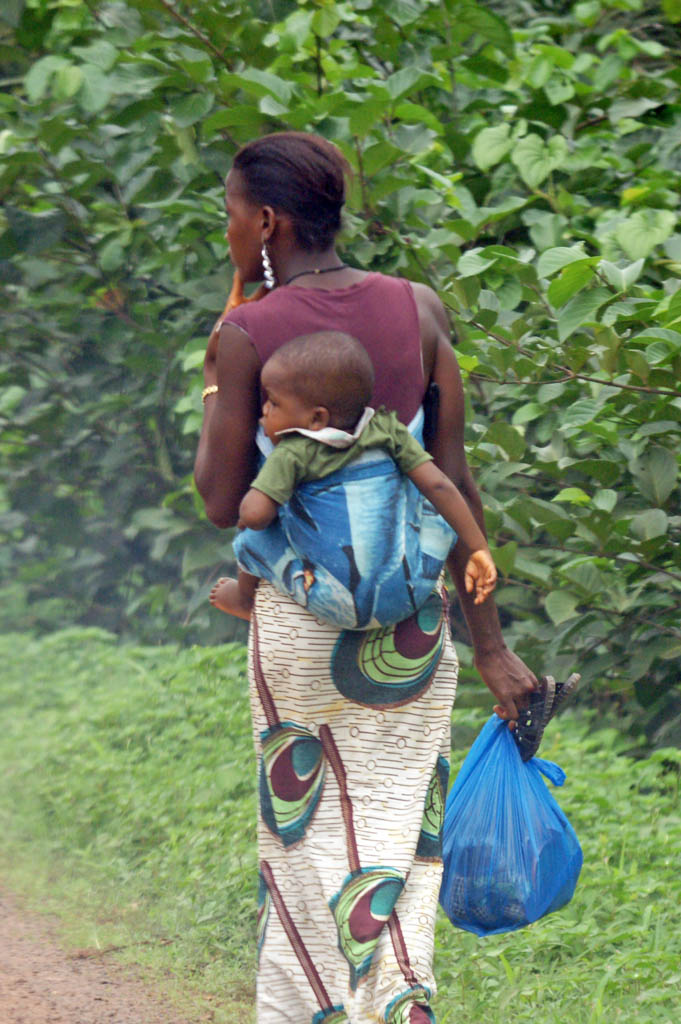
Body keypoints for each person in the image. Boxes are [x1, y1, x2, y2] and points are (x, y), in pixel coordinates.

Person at [194, 131, 537, 1024]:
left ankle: (310, 1012)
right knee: (398, 829)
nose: (228, 233)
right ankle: (401, 1002)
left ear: (265, 221)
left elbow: (222, 499)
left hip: (304, 625)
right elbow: (454, 483)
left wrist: (215, 374)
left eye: (230, 217)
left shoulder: (246, 333)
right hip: (415, 626)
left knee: (305, 836)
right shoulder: (418, 309)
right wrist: (492, 650)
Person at [209, 329, 497, 623]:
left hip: (336, 605)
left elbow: (256, 516)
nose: (264, 412)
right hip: (408, 594)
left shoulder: (292, 453)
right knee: (434, 499)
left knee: (253, 534)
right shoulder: (388, 429)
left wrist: (246, 510)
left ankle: (246, 598)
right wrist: (478, 547)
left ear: (317, 418)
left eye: (273, 402)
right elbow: (439, 485)